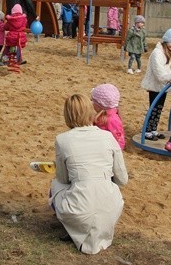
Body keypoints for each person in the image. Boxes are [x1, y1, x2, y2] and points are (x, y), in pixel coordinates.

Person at [49, 93, 128, 255]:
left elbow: (63, 178)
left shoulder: (62, 140)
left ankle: (72, 226)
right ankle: (92, 224)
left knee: (55, 184)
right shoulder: (108, 137)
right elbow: (122, 179)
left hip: (79, 207)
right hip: (110, 206)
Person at [141, 28, 171, 140]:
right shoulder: (157, 53)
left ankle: (153, 129)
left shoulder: (167, 53)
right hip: (155, 86)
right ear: (166, 40)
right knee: (153, 108)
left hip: (163, 86)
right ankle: (147, 130)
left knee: (159, 108)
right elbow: (159, 73)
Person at [91, 83, 125, 150]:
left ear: (100, 105)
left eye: (93, 101)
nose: (91, 103)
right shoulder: (100, 115)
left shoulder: (112, 120)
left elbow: (119, 141)